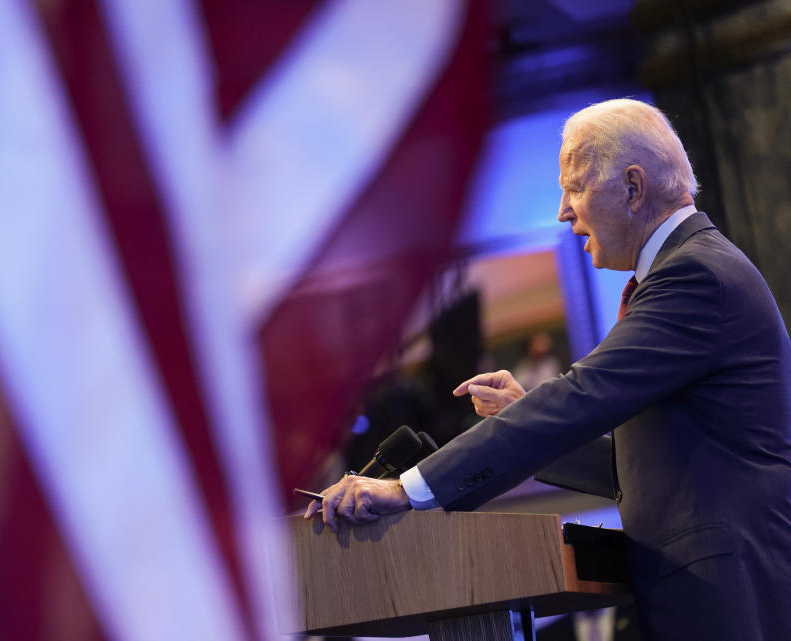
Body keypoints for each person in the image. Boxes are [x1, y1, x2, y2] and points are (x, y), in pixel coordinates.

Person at [304, 99, 791, 641]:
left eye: (575, 187)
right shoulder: (693, 269)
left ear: (633, 188)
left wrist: (407, 489)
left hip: (730, 596)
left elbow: (582, 395)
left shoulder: (695, 277)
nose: (563, 210)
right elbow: (638, 468)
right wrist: (521, 413)